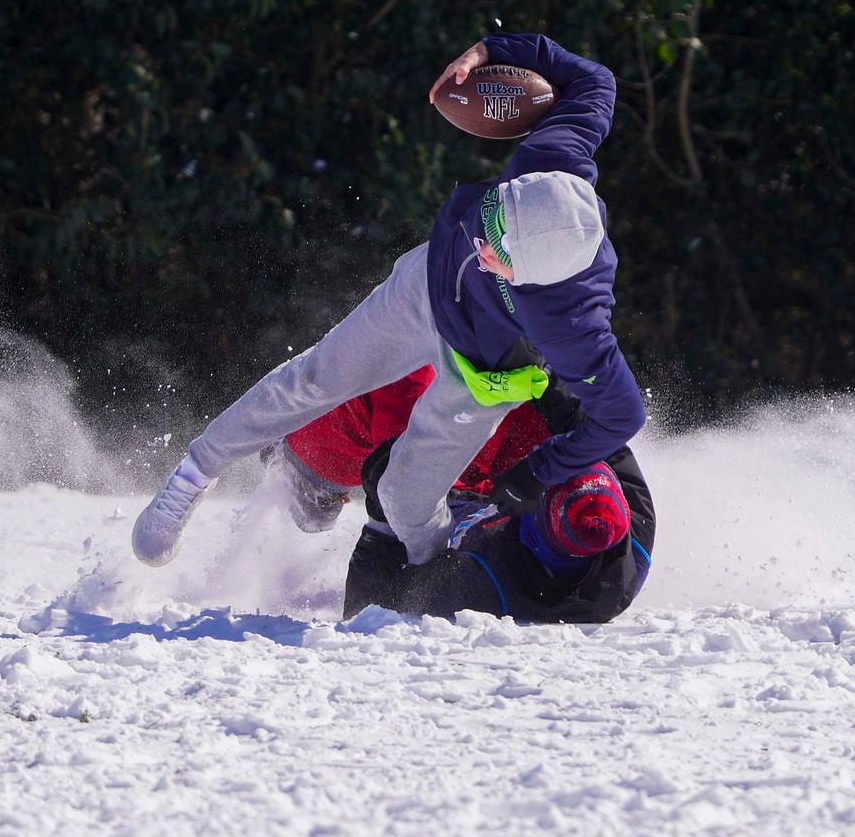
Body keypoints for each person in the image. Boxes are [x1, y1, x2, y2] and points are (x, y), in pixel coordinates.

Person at [133, 33, 646, 571]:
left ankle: (436, 571)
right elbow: (595, 78)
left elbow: (622, 415)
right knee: (314, 380)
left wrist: (541, 470)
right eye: (493, 214)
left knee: (406, 500)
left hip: (481, 368)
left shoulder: (575, 325)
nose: (482, 240)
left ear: (536, 279)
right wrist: (487, 52)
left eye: (498, 249)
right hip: (425, 287)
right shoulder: (556, 155)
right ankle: (191, 476)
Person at [285, 371, 656, 623]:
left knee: (406, 388)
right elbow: (603, 439)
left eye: (550, 482)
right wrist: (548, 378)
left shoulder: (483, 585)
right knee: (515, 386)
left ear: (540, 518)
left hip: (442, 503)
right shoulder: (635, 539)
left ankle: (308, 472)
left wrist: (381, 519)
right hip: (502, 481)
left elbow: (370, 609)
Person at [261, 364, 550, 533]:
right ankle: (278, 441)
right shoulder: (417, 369)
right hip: (320, 454)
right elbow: (402, 459)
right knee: (313, 518)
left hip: (365, 444)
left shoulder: (520, 382)